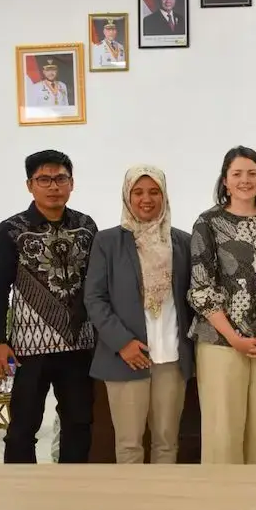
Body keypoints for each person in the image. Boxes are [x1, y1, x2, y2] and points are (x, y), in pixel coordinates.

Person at [0, 150, 98, 464]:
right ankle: (22, 493)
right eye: (44, 180)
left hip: (79, 344)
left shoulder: (86, 227)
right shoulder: (11, 229)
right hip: (28, 349)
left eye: (60, 178)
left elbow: (97, 285)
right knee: (23, 427)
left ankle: (73, 488)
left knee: (79, 423)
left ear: (71, 183)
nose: (53, 186)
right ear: (29, 185)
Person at [188, 146, 256, 465]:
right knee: (223, 433)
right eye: (237, 174)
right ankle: (223, 506)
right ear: (225, 181)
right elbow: (200, 288)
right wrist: (234, 338)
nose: (245, 180)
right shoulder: (208, 222)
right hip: (222, 342)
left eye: (252, 173)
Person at [85, 165, 193, 464]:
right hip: (126, 357)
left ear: (165, 195)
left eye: (154, 191)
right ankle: (132, 509)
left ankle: (163, 506)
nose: (146, 199)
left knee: (167, 444)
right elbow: (94, 298)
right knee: (129, 446)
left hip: (171, 358)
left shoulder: (182, 242)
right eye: (138, 192)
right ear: (126, 196)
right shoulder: (108, 242)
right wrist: (122, 342)